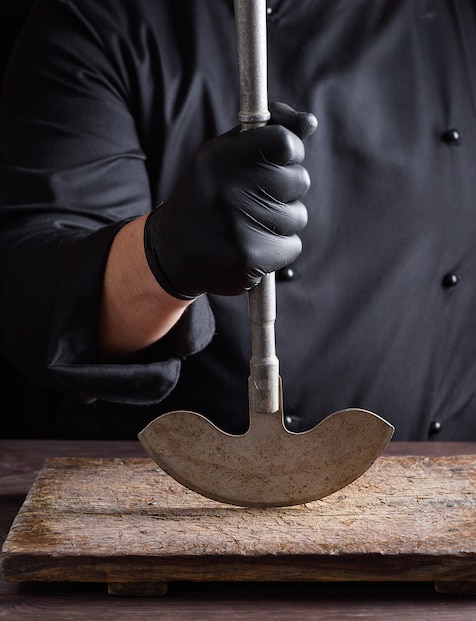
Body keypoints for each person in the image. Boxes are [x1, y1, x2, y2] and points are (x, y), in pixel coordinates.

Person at [0, 0, 475, 441]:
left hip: (446, 482)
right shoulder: (99, 18)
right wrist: (162, 258)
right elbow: (31, 285)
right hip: (165, 496)